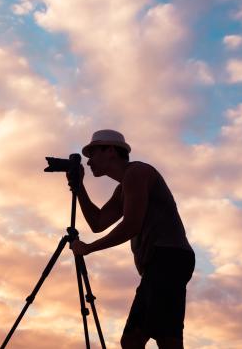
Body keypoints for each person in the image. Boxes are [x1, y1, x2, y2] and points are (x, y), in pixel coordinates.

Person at [67, 129, 195, 349]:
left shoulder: (137, 173)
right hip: (162, 262)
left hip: (167, 259)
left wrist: (88, 248)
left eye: (93, 154)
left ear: (110, 151)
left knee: (145, 339)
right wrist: (78, 188)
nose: (88, 163)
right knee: (152, 339)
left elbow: (131, 226)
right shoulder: (125, 185)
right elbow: (98, 223)